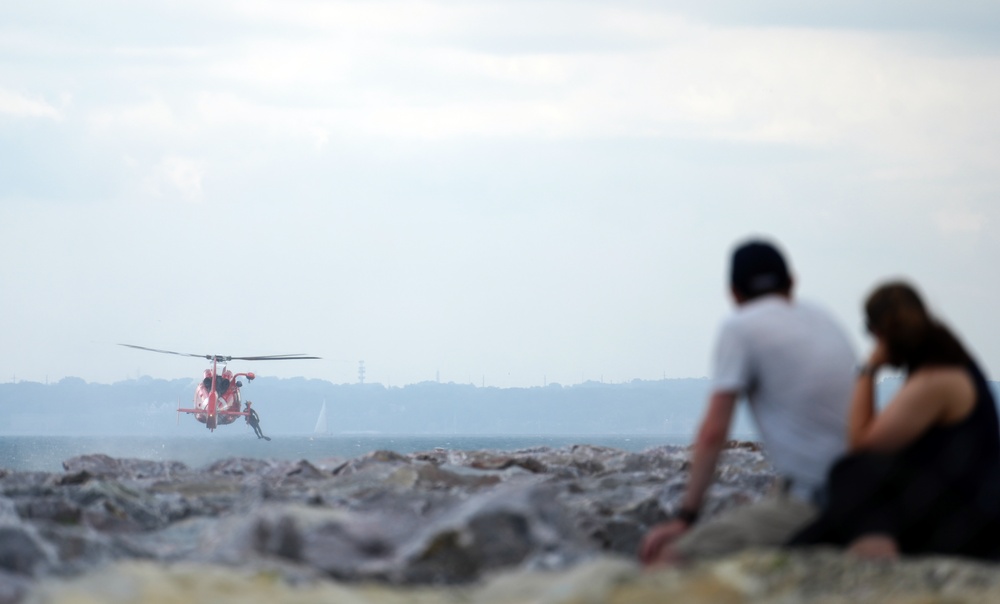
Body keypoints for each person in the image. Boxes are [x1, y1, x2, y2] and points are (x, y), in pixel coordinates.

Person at [639, 239, 856, 565]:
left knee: (669, 560)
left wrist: (685, 517)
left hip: (817, 503)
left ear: (734, 294)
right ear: (792, 283)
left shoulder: (740, 326)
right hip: (865, 492)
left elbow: (714, 432)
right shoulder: (822, 317)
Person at [790, 282, 1000, 559]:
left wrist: (868, 370)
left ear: (881, 333)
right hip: (960, 505)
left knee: (852, 472)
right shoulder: (947, 364)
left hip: (967, 520)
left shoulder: (936, 378)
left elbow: (862, 443)